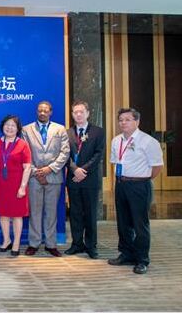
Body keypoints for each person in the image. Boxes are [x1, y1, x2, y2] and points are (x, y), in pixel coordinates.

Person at [108, 108, 163, 275]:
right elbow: (115, 162)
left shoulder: (148, 141)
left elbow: (157, 167)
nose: (123, 123)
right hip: (121, 184)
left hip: (140, 186)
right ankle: (126, 254)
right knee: (123, 222)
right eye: (121, 120)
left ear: (137, 121)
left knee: (140, 224)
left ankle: (142, 259)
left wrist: (142, 178)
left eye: (127, 119)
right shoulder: (116, 140)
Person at [21, 101, 69, 257]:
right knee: (34, 212)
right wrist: (37, 172)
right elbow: (25, 154)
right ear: (36, 111)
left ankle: (51, 244)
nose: (42, 113)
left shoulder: (60, 129)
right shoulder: (26, 129)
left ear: (50, 112)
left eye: (45, 110)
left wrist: (50, 169)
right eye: (40, 110)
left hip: (53, 177)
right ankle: (33, 244)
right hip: (34, 177)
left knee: (51, 212)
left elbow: (65, 153)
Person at [64, 101, 105, 259]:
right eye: (75, 112)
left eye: (81, 112)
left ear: (88, 113)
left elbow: (98, 154)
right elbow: (64, 155)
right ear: (72, 114)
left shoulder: (98, 132)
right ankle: (76, 244)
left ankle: (91, 246)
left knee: (90, 214)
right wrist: (75, 169)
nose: (78, 114)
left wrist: (83, 170)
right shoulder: (67, 133)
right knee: (75, 213)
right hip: (73, 179)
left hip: (90, 179)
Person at [0, 115, 32, 257]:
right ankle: (6, 240)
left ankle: (16, 243)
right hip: (1, 184)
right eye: (7, 125)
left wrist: (23, 187)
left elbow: (27, 167)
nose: (9, 128)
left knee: (17, 215)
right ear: (2, 126)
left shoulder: (23, 144)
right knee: (3, 214)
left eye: (13, 125)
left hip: (17, 184)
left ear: (17, 129)